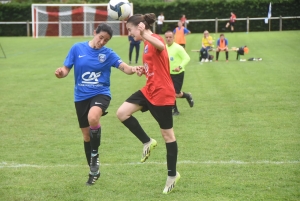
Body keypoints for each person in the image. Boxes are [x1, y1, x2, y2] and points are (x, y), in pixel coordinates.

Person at [54, 23, 141, 186]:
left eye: (106, 40)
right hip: (80, 97)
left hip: (101, 93)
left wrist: (134, 68)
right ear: (95, 32)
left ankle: (95, 154)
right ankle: (94, 172)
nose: (102, 42)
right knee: (86, 136)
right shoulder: (77, 48)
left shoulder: (108, 54)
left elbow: (125, 68)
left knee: (93, 117)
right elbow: (65, 70)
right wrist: (60, 73)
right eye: (101, 38)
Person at [116, 13, 180, 194]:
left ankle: (172, 175)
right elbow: (155, 66)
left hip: (162, 94)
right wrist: (143, 69)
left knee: (168, 136)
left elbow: (161, 46)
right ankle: (147, 141)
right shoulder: (145, 44)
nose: (130, 34)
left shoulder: (154, 39)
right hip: (149, 90)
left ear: (141, 27)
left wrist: (144, 34)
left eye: (130, 30)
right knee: (122, 113)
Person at [164, 30, 194, 116]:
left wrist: (180, 67)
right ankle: (175, 110)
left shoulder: (178, 48)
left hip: (178, 74)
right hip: (167, 74)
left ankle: (187, 96)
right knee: (169, 92)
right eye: (167, 37)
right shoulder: (164, 48)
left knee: (176, 94)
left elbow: (187, 58)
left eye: (170, 37)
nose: (168, 39)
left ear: (173, 38)